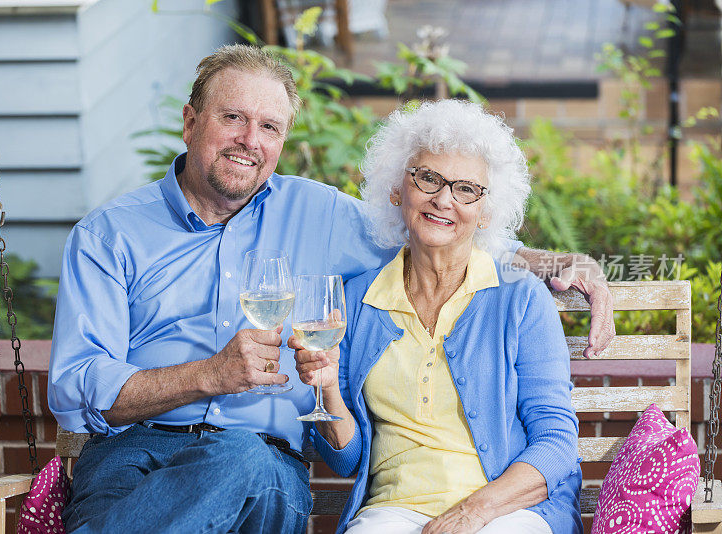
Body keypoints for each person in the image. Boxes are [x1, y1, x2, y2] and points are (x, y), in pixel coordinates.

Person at [48, 45, 606, 533]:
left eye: (269, 127)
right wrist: (207, 376)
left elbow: (434, 225)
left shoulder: (319, 214)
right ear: (191, 121)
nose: (250, 141)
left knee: (242, 461)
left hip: (261, 465)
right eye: (232, 118)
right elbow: (74, 388)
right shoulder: (109, 236)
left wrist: (554, 261)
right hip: (133, 457)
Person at [291, 99, 582, 534]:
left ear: (485, 211)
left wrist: (469, 516)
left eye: (466, 189)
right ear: (397, 188)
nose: (444, 199)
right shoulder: (357, 300)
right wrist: (329, 391)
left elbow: (557, 445)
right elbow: (345, 459)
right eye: (428, 178)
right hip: (391, 511)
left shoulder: (519, 297)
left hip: (505, 511)